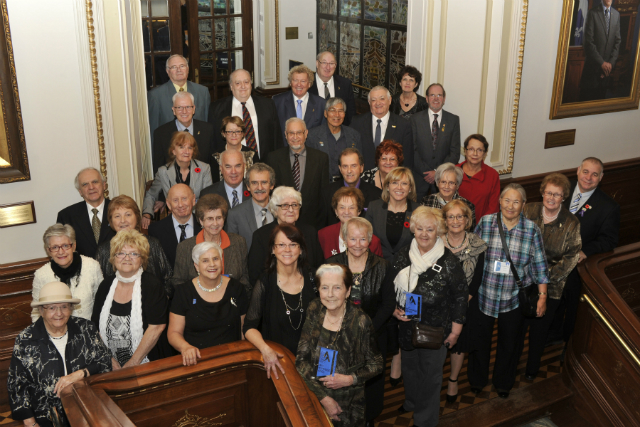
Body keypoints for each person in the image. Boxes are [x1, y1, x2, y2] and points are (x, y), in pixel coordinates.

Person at [469, 183, 549, 399]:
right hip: (484, 294)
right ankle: (477, 380)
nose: (510, 206)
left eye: (516, 201)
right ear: (500, 201)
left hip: (514, 298)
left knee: (510, 343)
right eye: (507, 200)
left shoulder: (532, 230)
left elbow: (540, 265)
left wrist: (542, 296)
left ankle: (503, 383)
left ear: (523, 205)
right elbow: (471, 255)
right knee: (480, 341)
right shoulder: (486, 223)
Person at [389, 206, 467, 427]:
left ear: (438, 231)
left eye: (430, 229)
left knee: (430, 377)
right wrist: (395, 310)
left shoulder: (449, 261)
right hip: (406, 325)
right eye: (420, 228)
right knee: (410, 370)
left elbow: (460, 297)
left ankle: (424, 420)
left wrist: (455, 331)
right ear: (413, 229)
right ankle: (412, 401)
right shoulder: (404, 254)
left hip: (435, 329)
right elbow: (391, 287)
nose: (424, 234)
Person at [9, 281, 111, 427]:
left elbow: (105, 361)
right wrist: (30, 423)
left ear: (71, 308)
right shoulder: (26, 339)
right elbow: (17, 384)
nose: (59, 313)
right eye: (52, 308)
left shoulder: (86, 329)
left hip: (87, 412)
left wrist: (81, 373)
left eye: (64, 307)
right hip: (46, 418)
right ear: (41, 310)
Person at [296, 264, 383, 426]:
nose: (330, 294)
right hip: (315, 396)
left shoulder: (361, 321)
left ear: (348, 291)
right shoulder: (314, 309)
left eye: (337, 287)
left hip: (349, 406)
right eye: (324, 287)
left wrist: (350, 379)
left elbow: (376, 364)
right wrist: (324, 398)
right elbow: (301, 360)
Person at [326, 218, 394, 425]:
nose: (357, 243)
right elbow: (324, 300)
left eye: (362, 238)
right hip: (338, 337)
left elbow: (388, 304)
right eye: (352, 238)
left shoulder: (383, 266)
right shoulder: (331, 265)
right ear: (345, 239)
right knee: (339, 386)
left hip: (373, 337)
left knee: (371, 388)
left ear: (370, 240)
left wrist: (366, 329)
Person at [550, 157, 619, 354]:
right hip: (551, 260)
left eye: (594, 174)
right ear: (578, 170)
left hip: (577, 267)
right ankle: (550, 335)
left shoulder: (608, 207)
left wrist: (585, 251)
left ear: (601, 178)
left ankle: (568, 345)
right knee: (551, 301)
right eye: (586, 171)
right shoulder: (562, 188)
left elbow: (609, 240)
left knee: (571, 307)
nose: (589, 177)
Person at [516, 173, 581, 380]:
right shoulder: (528, 210)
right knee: (517, 327)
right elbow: (516, 239)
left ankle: (531, 370)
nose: (551, 198)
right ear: (542, 192)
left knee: (539, 330)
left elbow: (571, 257)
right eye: (548, 193)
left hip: (552, 285)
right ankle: (510, 365)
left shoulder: (571, 223)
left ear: (564, 197)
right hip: (522, 280)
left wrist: (542, 277)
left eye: (557, 194)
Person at [244, 224, 318, 378]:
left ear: (301, 249)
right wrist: (265, 350)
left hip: (314, 365)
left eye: (293, 244)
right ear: (273, 249)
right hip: (278, 363)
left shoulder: (314, 279)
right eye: (281, 245)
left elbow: (330, 323)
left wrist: (326, 371)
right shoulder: (264, 282)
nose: (287, 250)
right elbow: (249, 328)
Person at [92, 229, 169, 367]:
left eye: (133, 254)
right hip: (109, 364)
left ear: (142, 259)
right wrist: (110, 360)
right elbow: (95, 328)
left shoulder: (152, 285)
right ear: (113, 258)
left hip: (145, 363)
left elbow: (156, 327)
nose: (127, 258)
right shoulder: (105, 285)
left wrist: (134, 362)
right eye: (121, 253)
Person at [168, 241, 249, 365]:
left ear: (221, 261)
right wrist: (185, 347)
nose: (212, 264)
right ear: (196, 266)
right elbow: (174, 333)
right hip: (196, 361)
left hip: (232, 360)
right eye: (205, 260)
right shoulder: (183, 292)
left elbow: (244, 330)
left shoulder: (237, 289)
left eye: (215, 259)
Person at [441, 200, 487, 404]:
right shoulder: (435, 242)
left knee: (459, 344)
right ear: (445, 220)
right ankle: (435, 379)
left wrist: (461, 303)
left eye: (460, 216)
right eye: (451, 216)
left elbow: (477, 278)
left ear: (467, 220)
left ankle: (453, 379)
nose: (455, 220)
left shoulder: (477, 244)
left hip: (466, 304)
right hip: (439, 304)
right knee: (438, 342)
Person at [95, 195, 174, 297]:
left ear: (137, 217)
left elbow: (168, 279)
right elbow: (98, 286)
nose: (123, 220)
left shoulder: (153, 244)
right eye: (117, 216)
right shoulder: (103, 250)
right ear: (111, 221)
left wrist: (159, 300)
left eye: (128, 214)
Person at [172, 194, 250, 293]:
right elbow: (178, 282)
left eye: (218, 218)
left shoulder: (238, 242)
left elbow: (245, 279)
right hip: (197, 304)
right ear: (201, 220)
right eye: (209, 218)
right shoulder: (185, 247)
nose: (215, 223)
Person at [248, 186, 324, 287]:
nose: (291, 209)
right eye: (285, 205)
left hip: (307, 289)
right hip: (273, 292)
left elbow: (320, 268)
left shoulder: (310, 232)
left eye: (294, 205)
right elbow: (255, 275)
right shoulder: (261, 235)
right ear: (275, 210)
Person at [266, 117, 330, 230]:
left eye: (299, 133)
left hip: (313, 225)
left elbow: (324, 197)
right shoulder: (273, 158)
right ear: (285, 134)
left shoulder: (321, 158)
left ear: (306, 133)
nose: (295, 137)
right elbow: (272, 194)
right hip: (283, 224)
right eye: (291, 133)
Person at [31, 224, 103, 322]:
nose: (61, 252)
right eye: (55, 247)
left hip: (90, 330)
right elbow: (36, 313)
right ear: (48, 251)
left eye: (65, 246)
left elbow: (102, 303)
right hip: (56, 334)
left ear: (74, 246)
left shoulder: (92, 266)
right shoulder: (41, 275)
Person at [208, 69, 282, 160]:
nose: (243, 86)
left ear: (251, 84)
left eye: (246, 82)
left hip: (263, 164)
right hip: (231, 166)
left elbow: (277, 138)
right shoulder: (216, 109)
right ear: (231, 87)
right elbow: (213, 142)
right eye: (238, 83)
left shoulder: (268, 105)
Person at [142, 131, 213, 226]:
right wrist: (147, 214)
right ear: (174, 151)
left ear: (193, 151)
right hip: (174, 219)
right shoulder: (163, 171)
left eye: (190, 148)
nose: (186, 151)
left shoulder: (204, 169)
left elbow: (208, 198)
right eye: (181, 147)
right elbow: (151, 194)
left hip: (198, 219)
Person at [411, 83, 461, 200]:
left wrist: (437, 172)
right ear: (427, 98)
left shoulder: (453, 120)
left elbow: (454, 152)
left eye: (439, 95)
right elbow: (412, 149)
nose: (436, 98)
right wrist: (426, 172)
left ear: (444, 99)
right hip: (419, 178)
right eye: (432, 95)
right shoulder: (415, 119)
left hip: (444, 180)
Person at [148, 54, 210, 147]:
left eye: (182, 66)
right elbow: (154, 130)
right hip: (170, 150)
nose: (179, 70)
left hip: (198, 148)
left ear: (188, 69)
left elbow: (206, 125)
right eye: (174, 67)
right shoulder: (156, 96)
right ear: (167, 71)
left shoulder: (202, 92)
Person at [56, 167, 115, 258]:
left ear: (104, 185)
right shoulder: (66, 216)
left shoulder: (119, 210)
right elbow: (63, 251)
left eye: (95, 182)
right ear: (80, 191)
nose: (91, 187)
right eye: (85, 184)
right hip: (82, 271)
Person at [350, 86, 413, 170]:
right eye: (373, 100)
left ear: (389, 100)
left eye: (382, 99)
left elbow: (407, 158)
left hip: (391, 177)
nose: (378, 103)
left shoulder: (403, 125)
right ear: (369, 102)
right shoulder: (357, 122)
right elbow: (351, 152)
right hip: (364, 177)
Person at [152, 91, 214, 175]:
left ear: (193, 109)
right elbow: (158, 170)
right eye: (179, 107)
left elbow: (213, 164)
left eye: (188, 107)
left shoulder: (208, 130)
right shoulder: (160, 133)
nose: (184, 111)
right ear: (174, 110)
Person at [365, 167, 418, 262]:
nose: (399, 187)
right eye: (395, 183)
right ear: (387, 187)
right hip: (377, 264)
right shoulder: (374, 207)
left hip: (408, 266)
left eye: (404, 183)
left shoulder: (418, 210)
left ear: (410, 188)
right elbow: (366, 238)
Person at [321, 148, 382, 226]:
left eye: (353, 166)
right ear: (340, 169)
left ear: (361, 168)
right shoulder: (327, 193)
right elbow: (323, 227)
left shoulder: (376, 194)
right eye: (345, 166)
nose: (349, 171)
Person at [319, 187, 384, 259]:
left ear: (359, 211)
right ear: (336, 211)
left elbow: (379, 268)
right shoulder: (323, 235)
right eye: (342, 207)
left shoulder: (373, 241)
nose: (346, 212)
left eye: (351, 208)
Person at [306, 97, 362, 179]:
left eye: (340, 111)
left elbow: (359, 164)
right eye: (332, 110)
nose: (337, 114)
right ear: (325, 113)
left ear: (344, 114)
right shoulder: (312, 136)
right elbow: (309, 165)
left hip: (347, 184)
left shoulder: (354, 135)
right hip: (322, 184)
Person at [148, 184, 201, 268]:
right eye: (175, 200)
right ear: (169, 204)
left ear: (193, 200)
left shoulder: (205, 226)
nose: (180, 204)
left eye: (184, 198)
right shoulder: (156, 230)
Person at [226, 163, 276, 250]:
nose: (259, 188)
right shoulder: (235, 214)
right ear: (248, 186)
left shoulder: (283, 210)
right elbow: (232, 251)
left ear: (272, 185)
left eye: (264, 182)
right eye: (254, 183)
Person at [579, 0, 622, 101]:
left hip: (606, 74)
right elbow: (588, 42)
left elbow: (617, 42)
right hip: (592, 73)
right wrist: (602, 63)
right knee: (584, 107)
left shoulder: (616, 15)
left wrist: (610, 64)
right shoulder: (592, 13)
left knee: (599, 109)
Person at [273, 64, 326, 140]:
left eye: (303, 81)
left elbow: (322, 132)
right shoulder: (277, 101)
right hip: (285, 150)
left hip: (311, 150)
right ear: (290, 83)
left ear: (309, 84)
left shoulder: (321, 104)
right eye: (295, 80)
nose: (299, 84)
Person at [457, 134, 500, 222]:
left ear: (484, 153)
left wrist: (482, 226)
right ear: (465, 151)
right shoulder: (454, 171)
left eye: (479, 150)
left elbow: (494, 207)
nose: (475, 154)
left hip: (481, 226)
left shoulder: (492, 175)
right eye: (471, 149)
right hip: (454, 224)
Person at [421, 162, 476, 227]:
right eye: (443, 182)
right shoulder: (427, 201)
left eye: (451, 183)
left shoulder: (467, 206)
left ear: (457, 185)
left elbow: (470, 231)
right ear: (437, 183)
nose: (447, 186)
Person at [309, 51, 357, 126]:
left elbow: (351, 114)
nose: (328, 67)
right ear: (317, 64)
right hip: (313, 133)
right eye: (324, 63)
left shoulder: (345, 84)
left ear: (335, 66)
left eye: (331, 63)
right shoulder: (307, 83)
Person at [210, 116, 259, 183]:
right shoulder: (215, 156)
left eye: (237, 131)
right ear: (224, 134)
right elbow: (214, 182)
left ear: (242, 134)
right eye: (230, 131)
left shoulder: (252, 154)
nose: (234, 135)